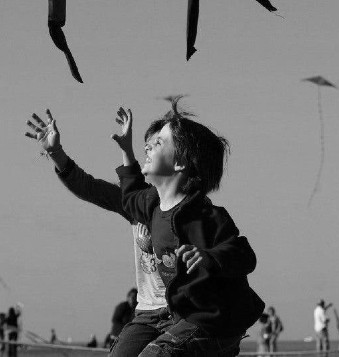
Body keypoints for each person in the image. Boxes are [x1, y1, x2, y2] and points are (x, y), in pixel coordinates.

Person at [111, 103, 264, 357]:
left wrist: (210, 256)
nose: (148, 146)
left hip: (216, 322)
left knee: (156, 355)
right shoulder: (151, 205)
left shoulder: (207, 215)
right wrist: (127, 151)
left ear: (180, 162)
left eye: (158, 143)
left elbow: (245, 256)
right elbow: (129, 195)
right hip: (182, 317)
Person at [25, 109, 172, 357]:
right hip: (146, 313)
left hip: (180, 313)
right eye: (146, 146)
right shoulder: (135, 203)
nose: (148, 150)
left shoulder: (189, 208)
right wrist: (55, 152)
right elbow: (88, 186)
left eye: (157, 145)